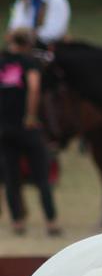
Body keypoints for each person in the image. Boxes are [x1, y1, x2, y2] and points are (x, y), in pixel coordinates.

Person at [0, 27, 58, 236]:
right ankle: (50, 222)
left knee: (11, 178)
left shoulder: (2, 61)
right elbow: (34, 88)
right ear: (28, 44)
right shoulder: (29, 63)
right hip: (27, 128)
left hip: (5, 129)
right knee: (42, 175)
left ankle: (18, 222)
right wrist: (31, 116)